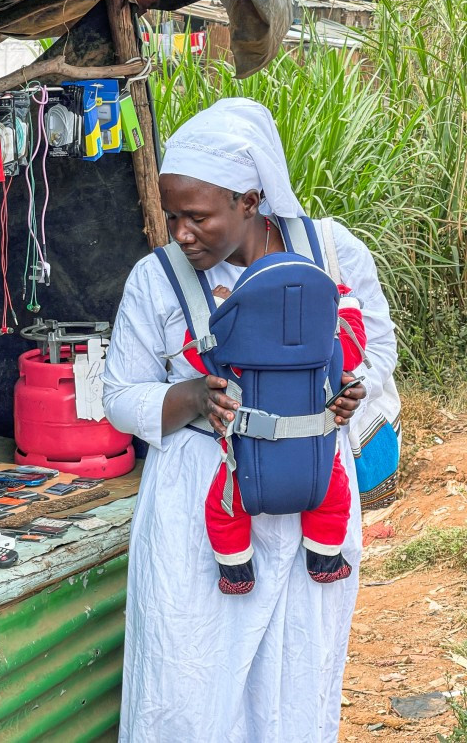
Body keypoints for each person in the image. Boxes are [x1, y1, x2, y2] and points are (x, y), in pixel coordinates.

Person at [102, 98, 398, 743]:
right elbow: (120, 395)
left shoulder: (331, 252)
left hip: (312, 493)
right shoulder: (154, 281)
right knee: (188, 681)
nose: (181, 232)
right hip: (197, 508)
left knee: (298, 671)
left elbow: (378, 352)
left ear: (250, 199)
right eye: (172, 215)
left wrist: (354, 390)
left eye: (198, 216)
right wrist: (190, 399)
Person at [197, 282, 367, 594]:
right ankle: (325, 560)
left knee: (225, 508)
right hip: (316, 456)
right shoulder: (330, 345)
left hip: (249, 460)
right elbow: (355, 347)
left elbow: (202, 352)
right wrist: (344, 303)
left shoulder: (240, 347)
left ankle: (236, 571)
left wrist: (221, 307)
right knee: (333, 497)